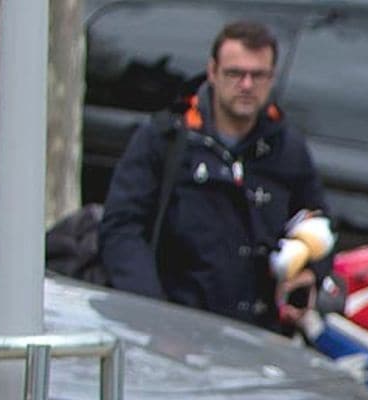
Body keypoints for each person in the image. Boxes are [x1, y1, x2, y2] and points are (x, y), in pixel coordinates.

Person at [100, 20, 330, 332]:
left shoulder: (287, 148)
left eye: (258, 75)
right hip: (177, 331)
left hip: (259, 335)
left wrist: (309, 273)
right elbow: (121, 229)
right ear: (212, 72)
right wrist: (152, 314)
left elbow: (317, 222)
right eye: (235, 73)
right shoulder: (165, 140)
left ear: (272, 78)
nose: (247, 85)